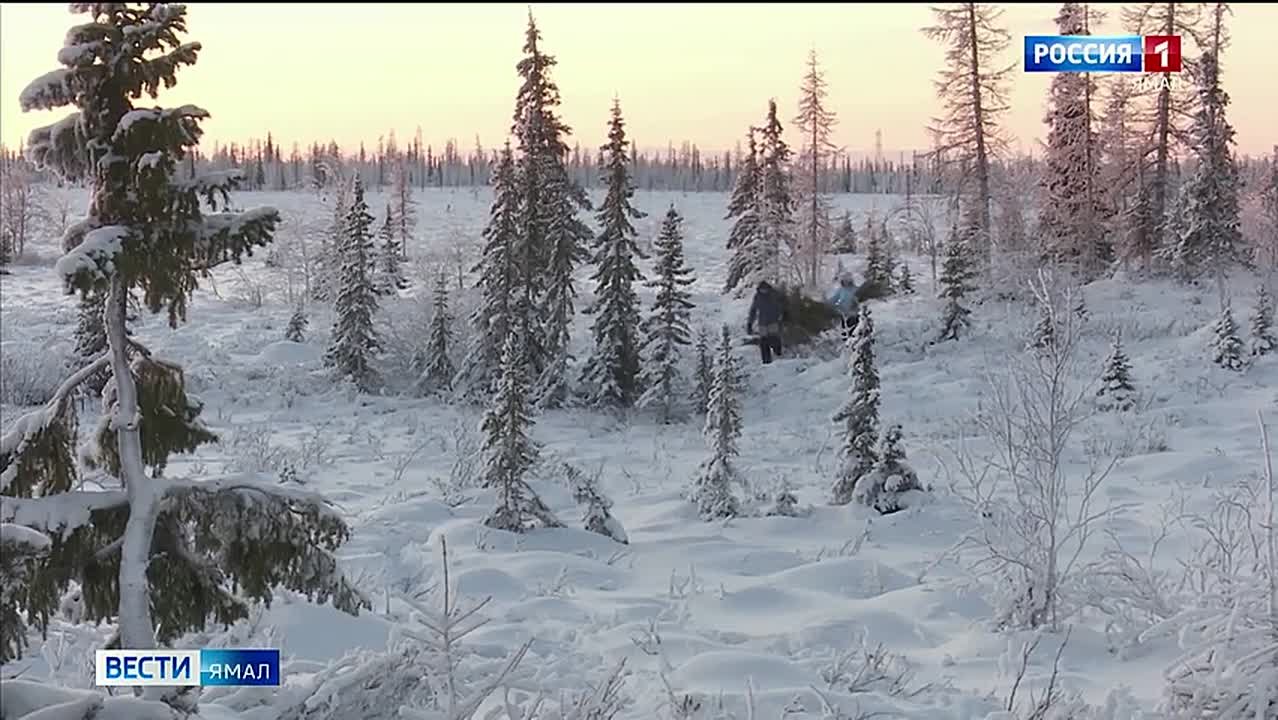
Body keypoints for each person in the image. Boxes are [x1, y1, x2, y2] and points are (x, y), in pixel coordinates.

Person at [746, 280, 786, 364]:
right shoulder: (758, 297)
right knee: (763, 342)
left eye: (765, 289)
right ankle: (766, 361)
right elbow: (753, 310)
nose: (763, 291)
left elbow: (781, 306)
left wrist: (781, 316)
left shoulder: (774, 295)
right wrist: (750, 323)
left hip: (773, 321)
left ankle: (778, 356)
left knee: (774, 339)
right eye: (761, 290)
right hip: (762, 323)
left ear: (768, 288)